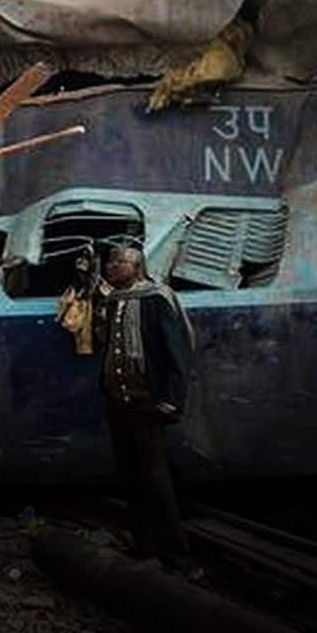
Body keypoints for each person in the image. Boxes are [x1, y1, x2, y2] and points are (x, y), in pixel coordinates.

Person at [92, 245, 198, 574]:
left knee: (155, 481)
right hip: (119, 404)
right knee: (130, 477)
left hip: (146, 404)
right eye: (110, 262)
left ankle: (177, 558)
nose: (111, 267)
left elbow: (176, 352)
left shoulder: (156, 298)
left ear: (137, 267)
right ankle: (143, 545)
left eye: (119, 262)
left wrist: (172, 400)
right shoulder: (113, 301)